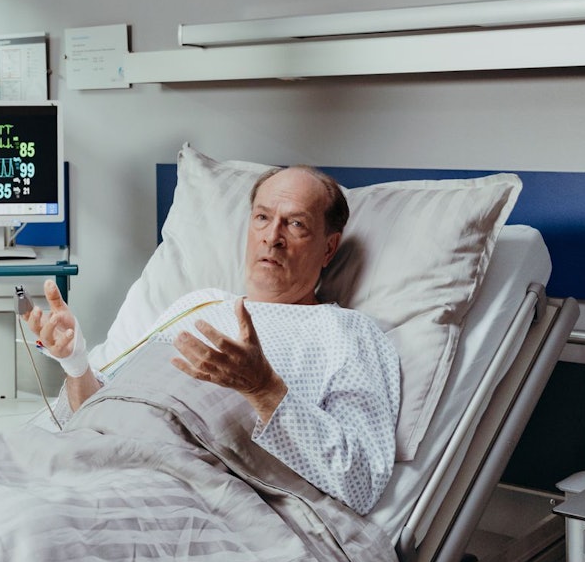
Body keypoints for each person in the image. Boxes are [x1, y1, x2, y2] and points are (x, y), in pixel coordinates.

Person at [24, 164, 401, 515]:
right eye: (262, 217)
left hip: (183, 492)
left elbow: (361, 482)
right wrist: (76, 362)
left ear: (329, 248)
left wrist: (263, 388)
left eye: (296, 224)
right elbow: (101, 411)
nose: (272, 237)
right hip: (98, 460)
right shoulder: (199, 304)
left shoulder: (348, 333)